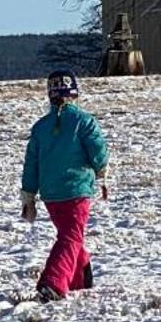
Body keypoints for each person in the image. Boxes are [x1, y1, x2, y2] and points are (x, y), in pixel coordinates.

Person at [19, 70, 109, 300]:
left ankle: (81, 277)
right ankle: (53, 282)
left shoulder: (40, 128)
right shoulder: (84, 122)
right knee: (70, 237)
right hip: (76, 190)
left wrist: (29, 195)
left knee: (70, 233)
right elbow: (99, 152)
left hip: (50, 194)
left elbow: (31, 163)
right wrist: (101, 171)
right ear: (75, 93)